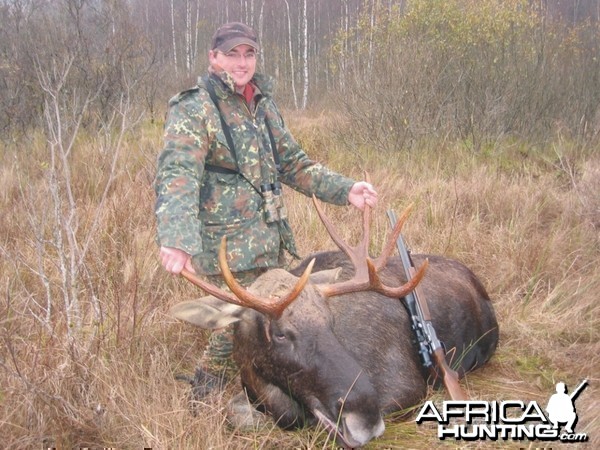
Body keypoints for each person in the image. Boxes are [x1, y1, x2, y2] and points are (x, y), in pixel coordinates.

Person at [154, 22, 378, 393]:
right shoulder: (195, 108)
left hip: (269, 241)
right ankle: (204, 393)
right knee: (238, 325)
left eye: (249, 54)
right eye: (232, 54)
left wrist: (346, 190)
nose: (241, 63)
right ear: (214, 58)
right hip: (228, 248)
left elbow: (294, 164)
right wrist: (176, 238)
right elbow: (178, 173)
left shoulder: (262, 104)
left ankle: (263, 385)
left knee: (273, 325)